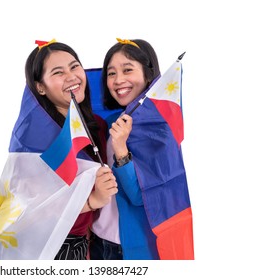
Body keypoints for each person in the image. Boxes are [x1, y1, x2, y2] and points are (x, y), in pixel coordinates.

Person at [15, 39, 118, 260]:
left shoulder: (96, 125)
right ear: (40, 87)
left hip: (84, 244)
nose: (71, 76)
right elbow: (29, 209)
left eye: (74, 66)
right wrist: (92, 201)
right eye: (58, 72)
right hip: (46, 244)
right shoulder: (32, 138)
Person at [90, 38, 161, 260]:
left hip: (128, 246)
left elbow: (143, 197)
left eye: (127, 69)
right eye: (111, 73)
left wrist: (120, 148)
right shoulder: (110, 120)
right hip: (97, 238)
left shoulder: (159, 127)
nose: (118, 80)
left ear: (148, 75)